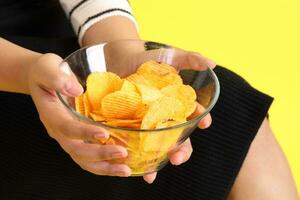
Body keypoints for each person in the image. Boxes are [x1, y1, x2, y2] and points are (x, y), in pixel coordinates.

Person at [0, 0, 298, 199]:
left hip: (64, 51)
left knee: (228, 110)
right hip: (15, 69)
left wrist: (119, 48)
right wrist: (26, 71)